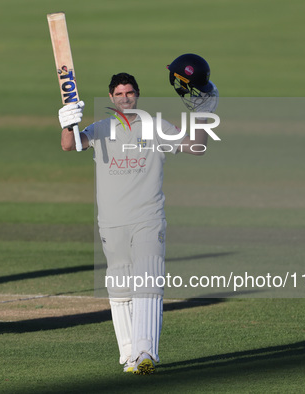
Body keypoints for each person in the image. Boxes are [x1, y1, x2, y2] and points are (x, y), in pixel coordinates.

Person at [58, 56, 218, 374]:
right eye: (119, 94)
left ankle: (146, 354)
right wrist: (68, 122)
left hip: (148, 217)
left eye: (129, 93)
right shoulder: (101, 128)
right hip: (112, 221)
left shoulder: (155, 126)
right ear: (111, 99)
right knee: (119, 286)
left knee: (148, 279)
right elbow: (69, 145)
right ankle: (130, 354)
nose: (125, 98)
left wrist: (203, 116)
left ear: (137, 95)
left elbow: (195, 147)